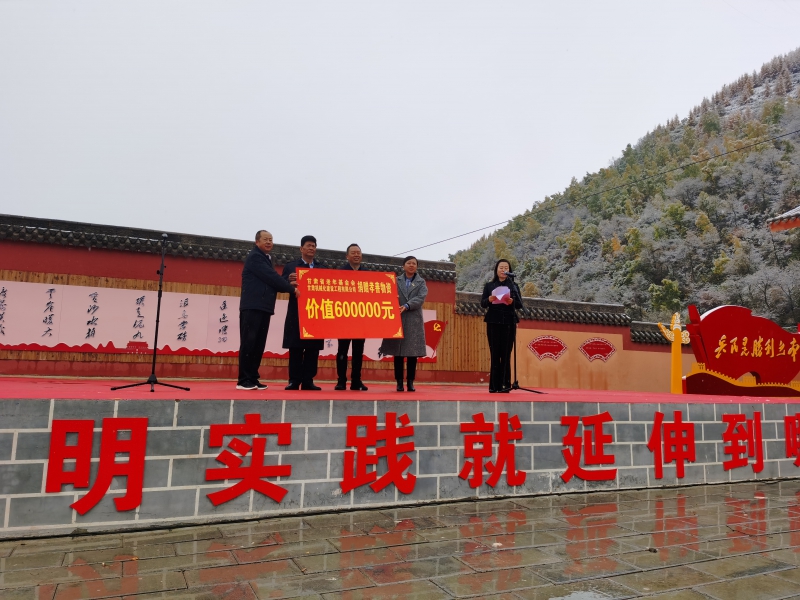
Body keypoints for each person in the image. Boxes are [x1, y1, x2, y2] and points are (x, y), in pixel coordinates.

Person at [237, 230, 298, 390]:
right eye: (265, 239)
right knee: (249, 343)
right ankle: (243, 380)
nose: (269, 242)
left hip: (264, 307)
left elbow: (271, 280)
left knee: (258, 345)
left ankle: (253, 377)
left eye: (271, 239)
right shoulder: (255, 257)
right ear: (257, 242)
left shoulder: (267, 258)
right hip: (252, 306)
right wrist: (291, 289)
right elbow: (271, 277)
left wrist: (287, 282)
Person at [282, 235, 326, 390]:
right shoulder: (291, 267)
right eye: (308, 245)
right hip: (297, 312)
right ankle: (294, 380)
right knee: (295, 347)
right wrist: (289, 282)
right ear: (301, 248)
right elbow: (280, 284)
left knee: (313, 349)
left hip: (315, 313)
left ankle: (308, 380)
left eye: (314, 246)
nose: (311, 248)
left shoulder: (322, 268)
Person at [379, 256, 428, 392]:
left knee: (412, 354)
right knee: (398, 353)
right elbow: (388, 295)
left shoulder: (421, 282)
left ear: (416, 267)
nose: (411, 265)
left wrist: (407, 305)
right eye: (409, 263)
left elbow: (421, 298)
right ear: (403, 266)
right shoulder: (395, 281)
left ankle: (410, 382)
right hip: (397, 318)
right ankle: (399, 382)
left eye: (414, 263)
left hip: (413, 319)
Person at [480, 259, 523, 393]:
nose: (503, 270)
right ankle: (494, 386)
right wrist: (489, 299)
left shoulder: (513, 286)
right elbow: (482, 303)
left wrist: (512, 301)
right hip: (493, 321)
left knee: (506, 354)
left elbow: (520, 304)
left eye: (506, 268)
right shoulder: (489, 285)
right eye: (501, 267)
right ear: (496, 270)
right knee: (495, 354)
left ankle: (505, 385)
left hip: (509, 322)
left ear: (509, 270)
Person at [335, 244, 368, 391]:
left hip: (361, 319)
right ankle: (341, 380)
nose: (356, 255)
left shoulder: (368, 274)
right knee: (342, 350)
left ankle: (356, 380)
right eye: (353, 253)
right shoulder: (340, 273)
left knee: (358, 351)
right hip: (344, 319)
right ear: (347, 256)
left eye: (358, 252)